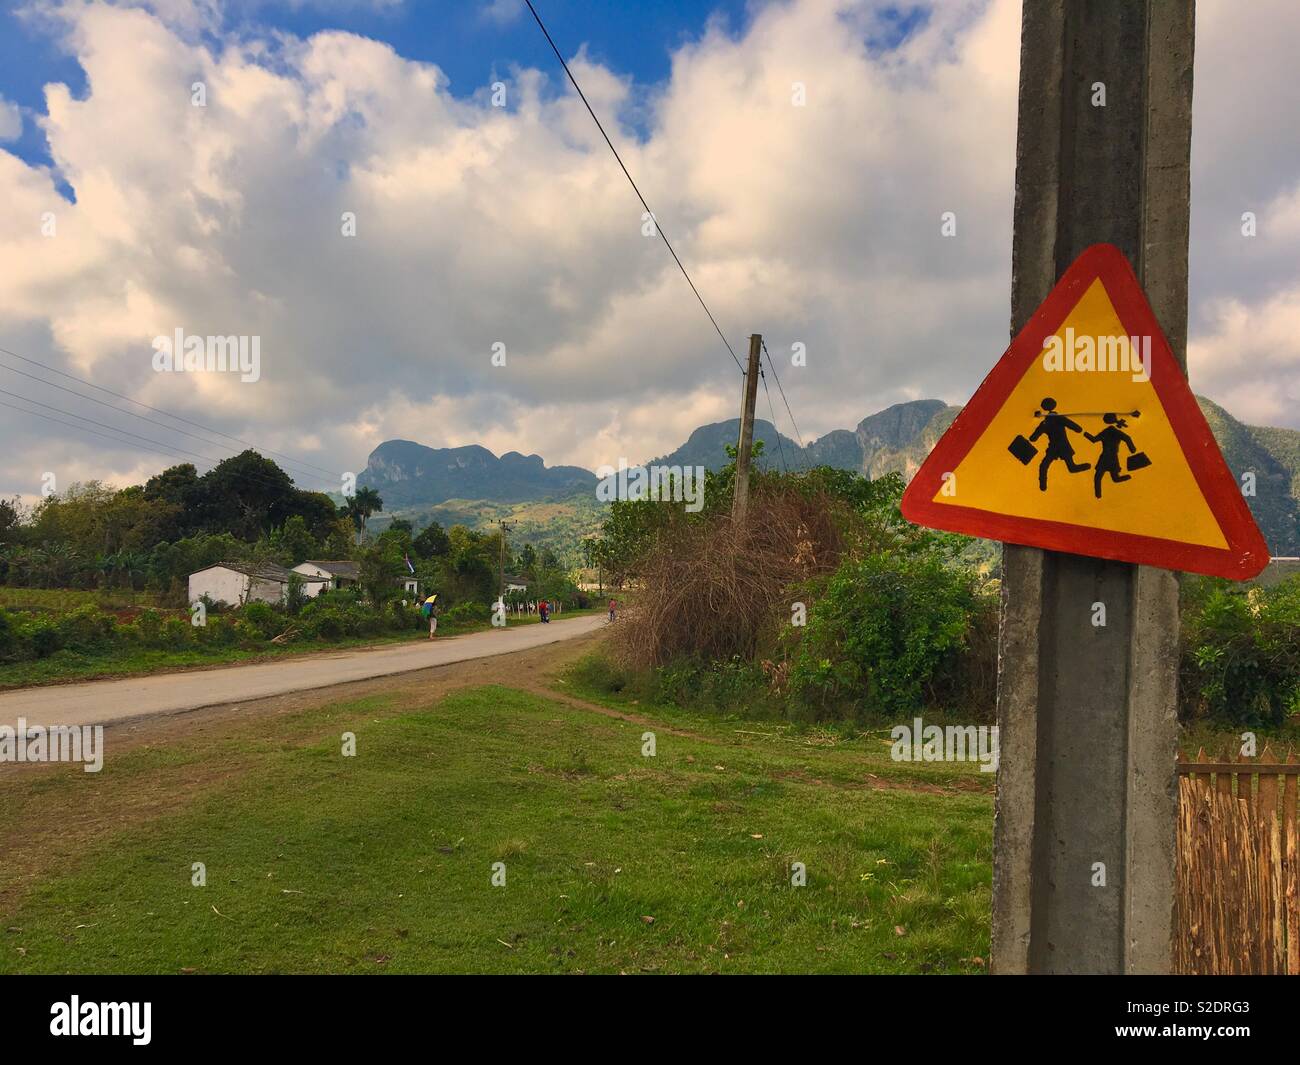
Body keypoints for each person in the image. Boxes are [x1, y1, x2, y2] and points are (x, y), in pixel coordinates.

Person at [1028, 397, 1091, 491]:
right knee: (1071, 467)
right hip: (1062, 446)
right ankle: (1043, 487)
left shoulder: (1046, 422)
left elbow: (1033, 438)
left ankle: (1043, 486)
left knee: (1044, 466)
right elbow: (1077, 428)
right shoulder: (1058, 419)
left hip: (1055, 447)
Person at [1084, 413, 1137, 499]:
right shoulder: (1114, 431)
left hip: (1105, 457)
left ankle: (1098, 495)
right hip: (1112, 457)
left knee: (1098, 477)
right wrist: (1132, 449)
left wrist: (1085, 433)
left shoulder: (1107, 431)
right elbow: (1127, 438)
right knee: (1114, 478)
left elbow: (1094, 439)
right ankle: (1098, 496)